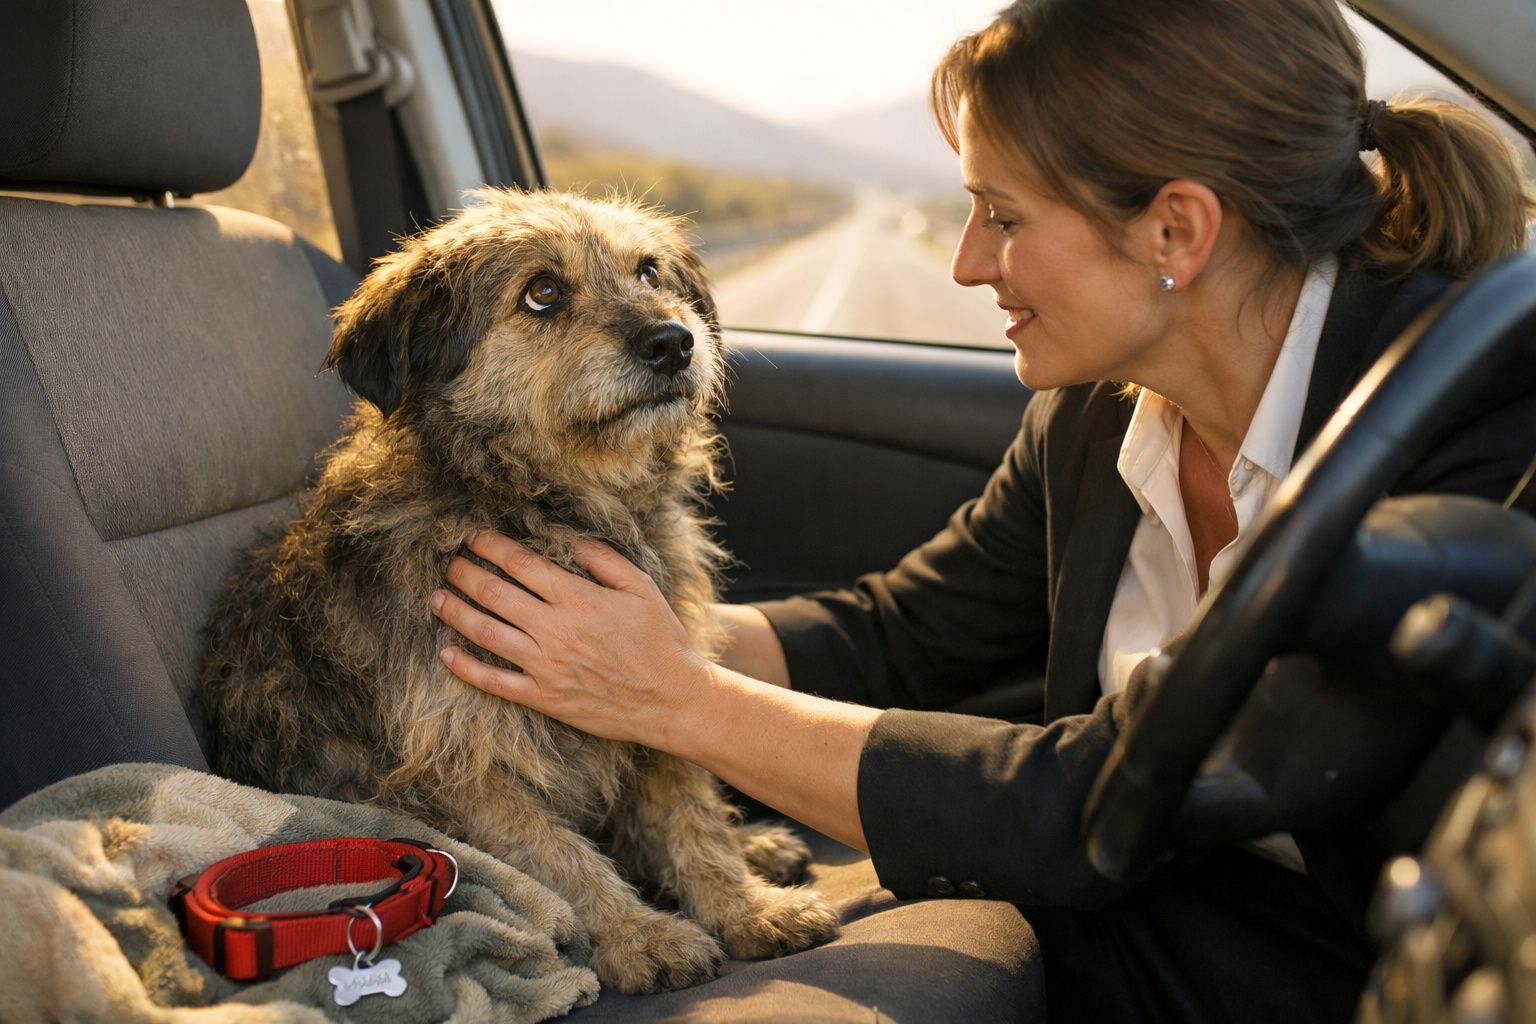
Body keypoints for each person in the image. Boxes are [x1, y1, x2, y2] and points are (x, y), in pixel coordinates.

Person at [429, 0, 1536, 1018]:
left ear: (1177, 233)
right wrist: (568, 637)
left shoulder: (1473, 421)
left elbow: (1101, 797)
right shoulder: (1103, 414)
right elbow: (901, 636)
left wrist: (673, 698)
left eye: (1002, 216)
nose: (968, 263)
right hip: (1173, 912)